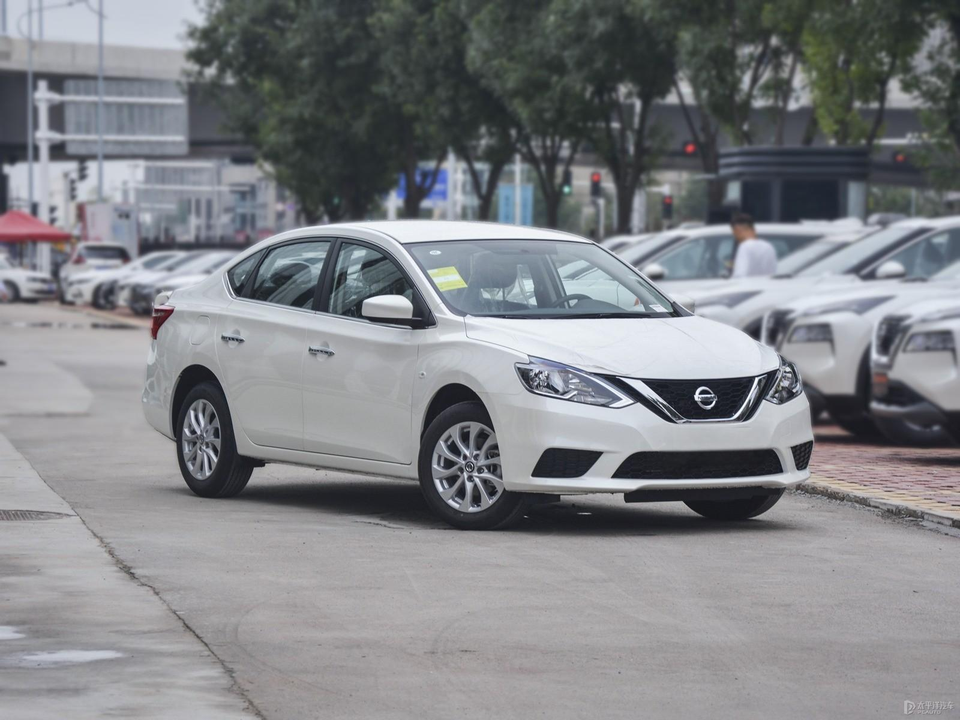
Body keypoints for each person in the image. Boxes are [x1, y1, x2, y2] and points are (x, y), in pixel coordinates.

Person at [730, 212, 777, 278]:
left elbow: (739, 275)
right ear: (753, 230)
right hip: (767, 284)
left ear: (736, 230)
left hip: (749, 284)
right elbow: (773, 272)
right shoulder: (768, 247)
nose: (735, 237)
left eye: (734, 233)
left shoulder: (745, 247)